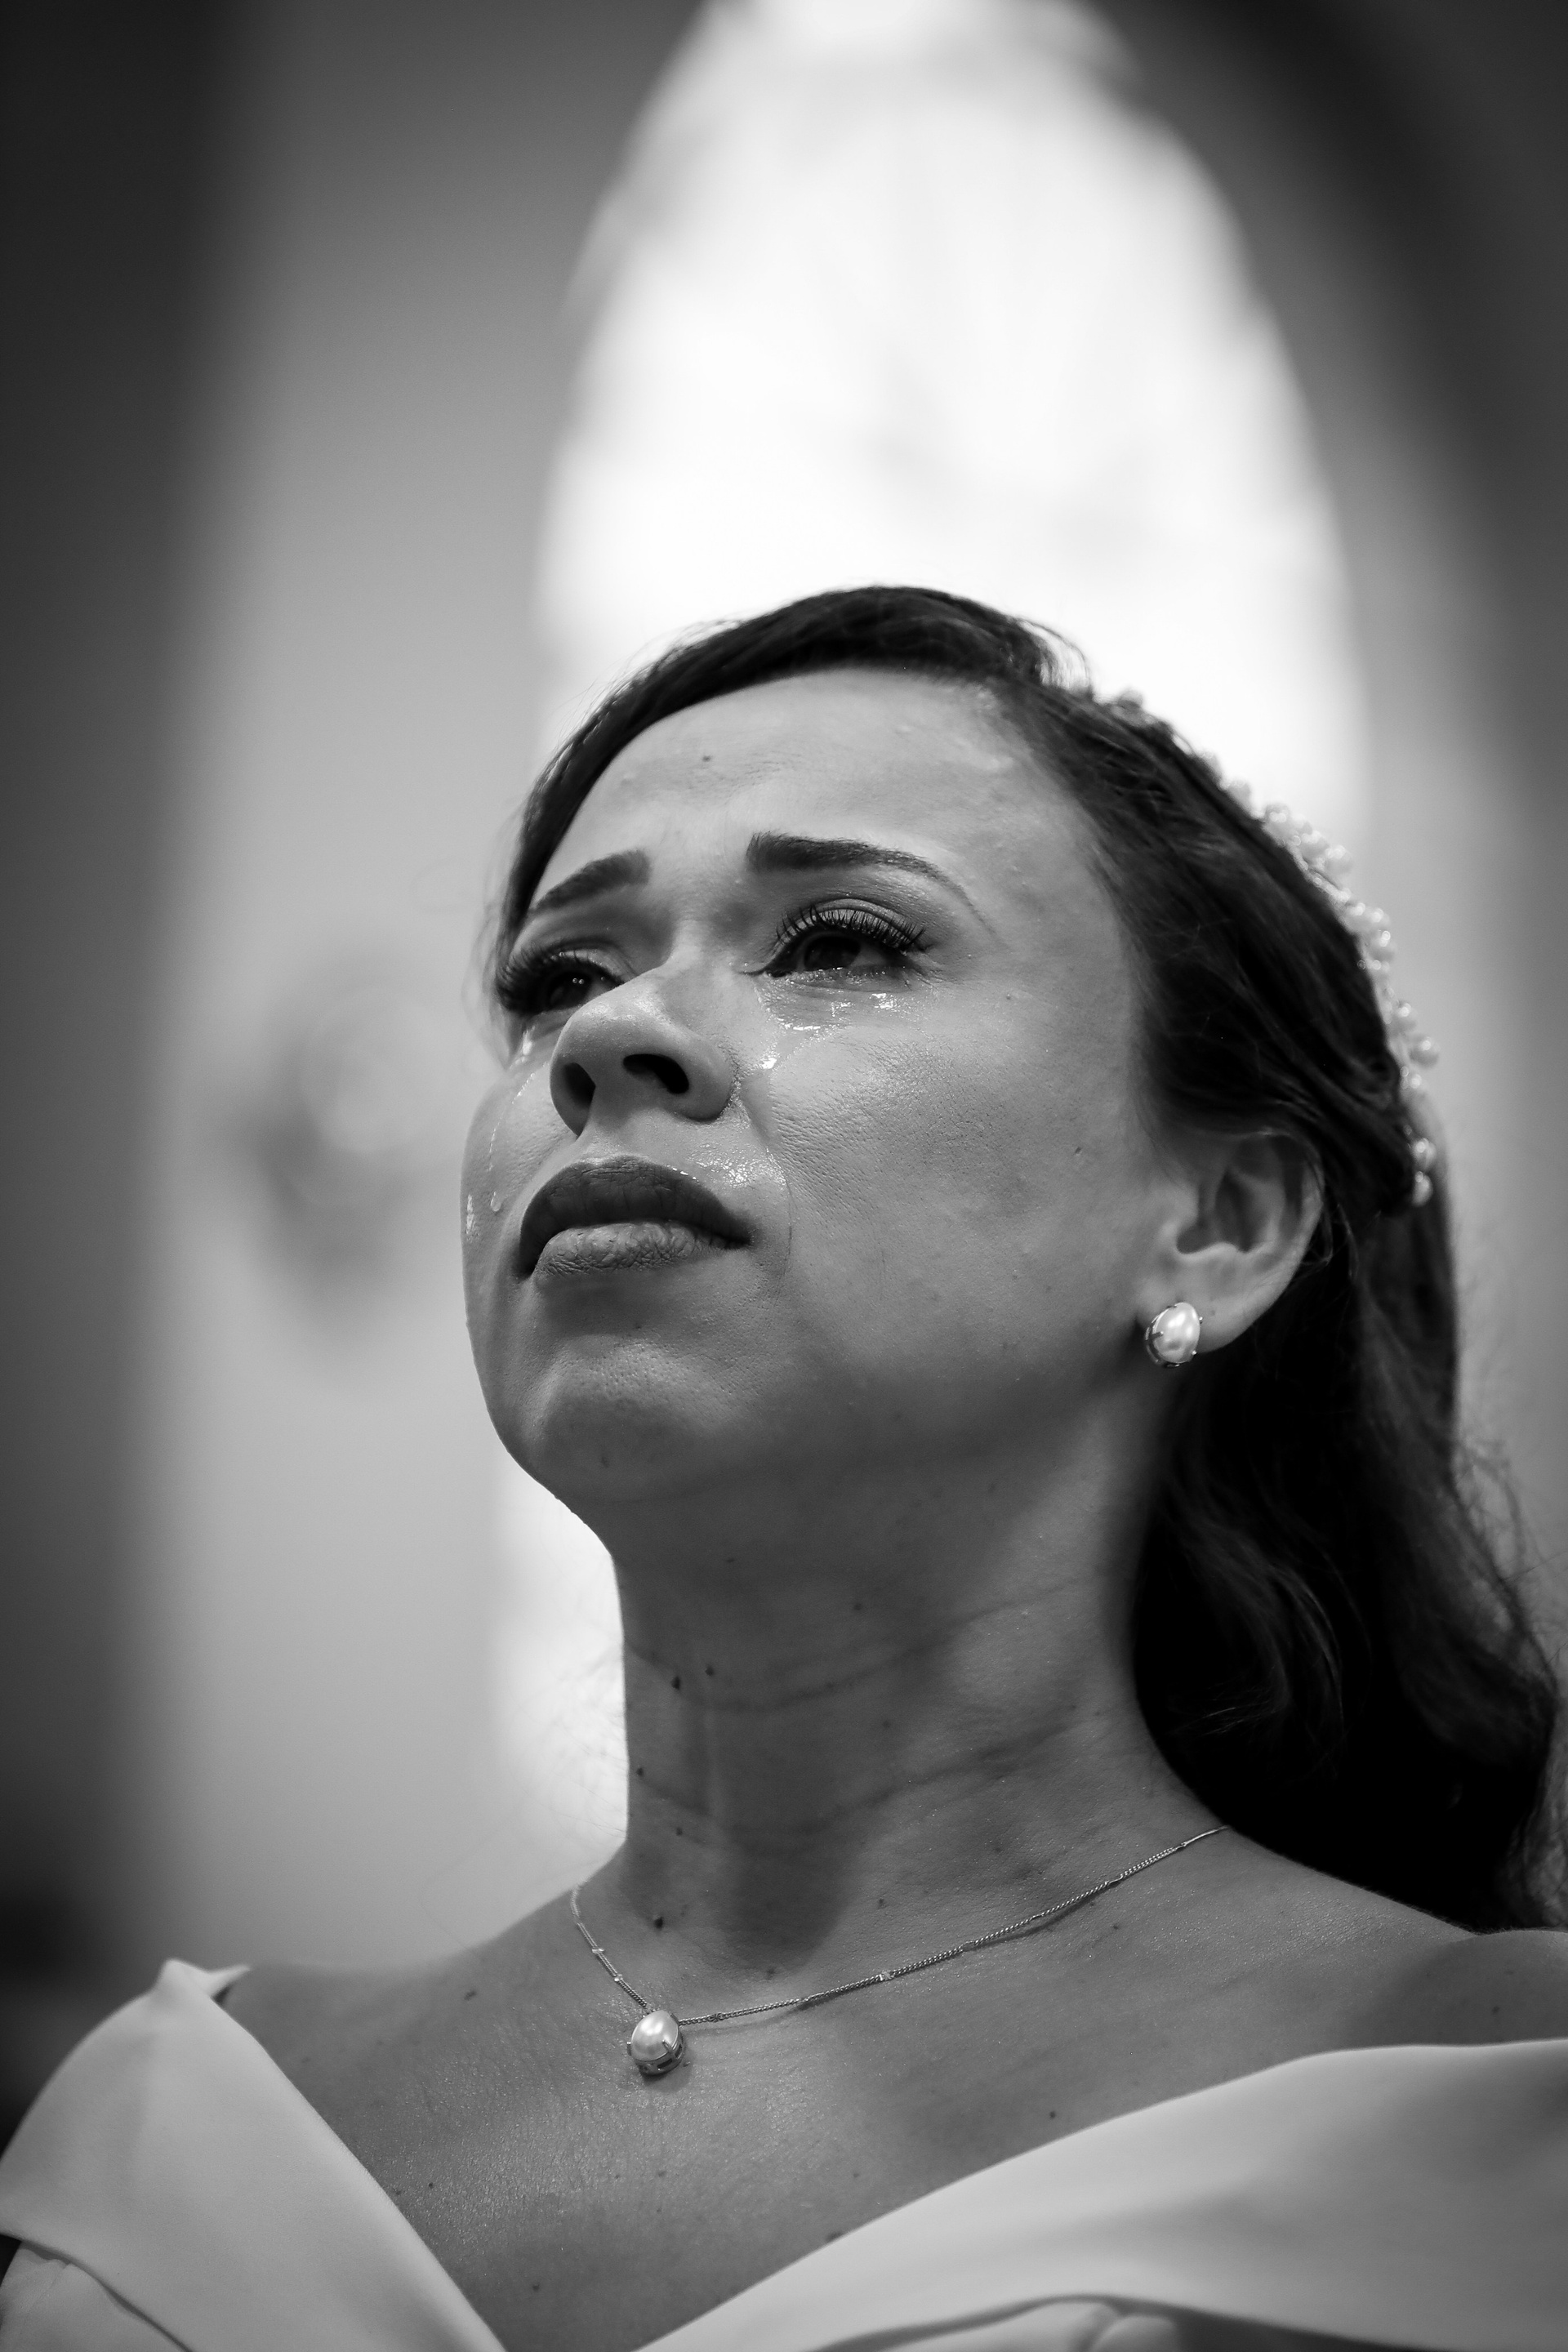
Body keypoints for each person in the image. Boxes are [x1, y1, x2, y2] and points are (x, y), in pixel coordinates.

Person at [2, 586, 1565, 2351]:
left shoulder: (1499, 2122)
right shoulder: (174, 2140)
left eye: (839, 941)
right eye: (559, 979)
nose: (608, 1039)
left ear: (1219, 1218)